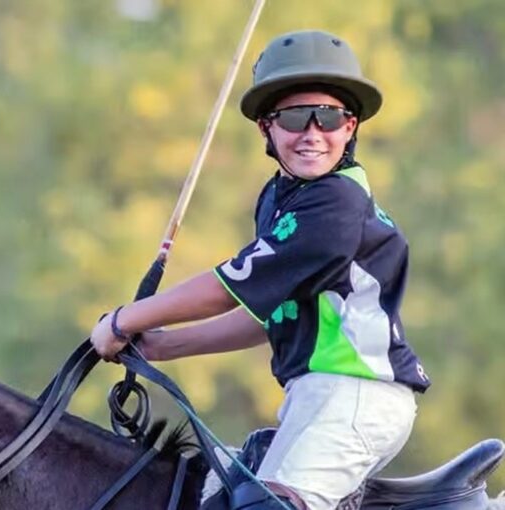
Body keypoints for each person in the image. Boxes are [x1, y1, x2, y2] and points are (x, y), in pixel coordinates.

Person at [90, 29, 430, 510]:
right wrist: (163, 346)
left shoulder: (336, 203)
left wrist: (124, 320)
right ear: (265, 128)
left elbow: (226, 288)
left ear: (350, 126)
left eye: (329, 116)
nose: (312, 133)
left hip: (356, 397)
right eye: (293, 117)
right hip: (311, 397)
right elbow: (265, 315)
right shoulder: (279, 199)